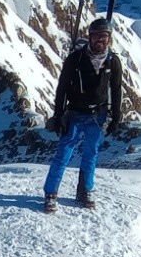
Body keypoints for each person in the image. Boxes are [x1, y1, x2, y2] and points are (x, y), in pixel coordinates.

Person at [44, 17, 122, 212]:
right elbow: (61, 89)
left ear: (109, 39)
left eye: (103, 37)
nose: (99, 41)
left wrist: (116, 116)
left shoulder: (113, 61)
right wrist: (58, 115)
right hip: (75, 114)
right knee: (63, 154)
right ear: (90, 37)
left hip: (98, 115)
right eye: (96, 36)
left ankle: (85, 191)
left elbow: (116, 89)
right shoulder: (75, 59)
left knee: (91, 154)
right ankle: (51, 193)